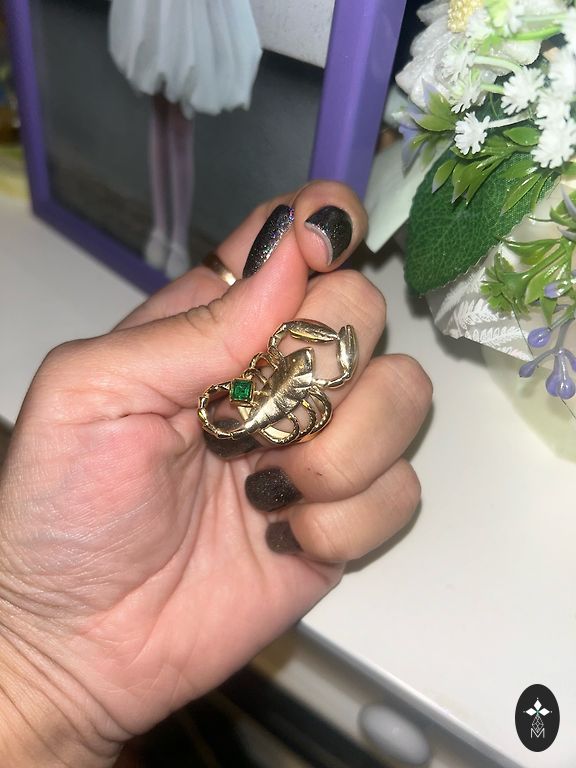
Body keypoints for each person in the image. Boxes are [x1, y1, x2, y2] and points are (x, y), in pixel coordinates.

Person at [0, 181, 431, 766]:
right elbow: (278, 380)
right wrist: (38, 663)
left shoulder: (291, 380)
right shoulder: (274, 387)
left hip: (270, 401)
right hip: (264, 402)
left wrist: (42, 669)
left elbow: (298, 385)